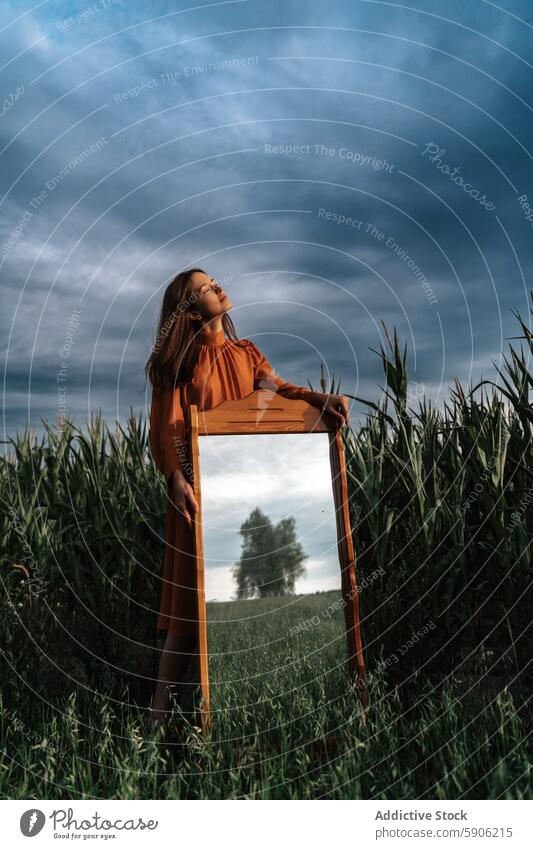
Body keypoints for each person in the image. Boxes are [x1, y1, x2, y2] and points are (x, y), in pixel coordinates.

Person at [145, 268, 350, 724]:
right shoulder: (175, 365)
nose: (218, 287)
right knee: (185, 613)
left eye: (215, 281)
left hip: (243, 490)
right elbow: (168, 428)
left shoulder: (247, 353)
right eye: (205, 288)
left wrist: (318, 398)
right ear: (189, 307)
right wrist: (176, 476)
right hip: (196, 498)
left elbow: (277, 390)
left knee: (234, 598)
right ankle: (159, 716)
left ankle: (238, 704)